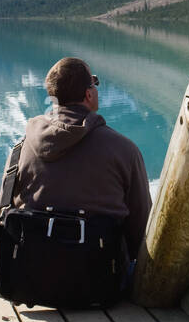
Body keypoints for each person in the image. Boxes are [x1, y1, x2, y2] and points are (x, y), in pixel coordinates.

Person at [11, 56, 151, 278]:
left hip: (31, 278)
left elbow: (2, 213)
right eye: (94, 83)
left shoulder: (22, 148)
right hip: (101, 284)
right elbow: (141, 228)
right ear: (89, 94)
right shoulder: (125, 150)